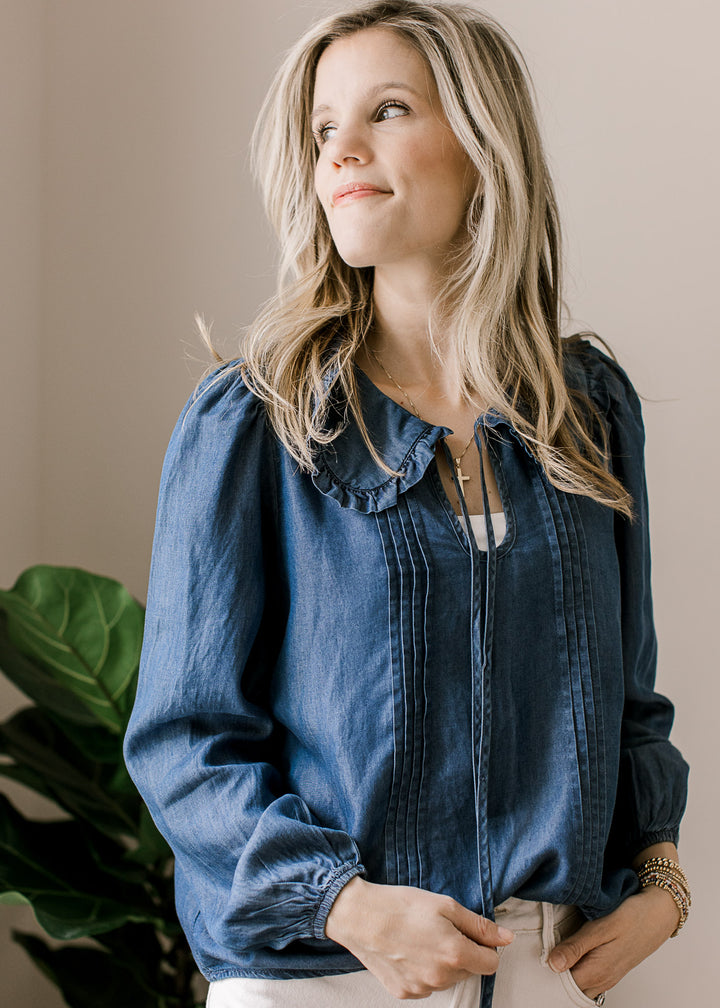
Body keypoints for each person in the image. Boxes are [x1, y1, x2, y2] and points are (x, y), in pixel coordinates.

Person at [123, 3, 690, 1006]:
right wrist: (345, 905)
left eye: (386, 111)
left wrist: (664, 882)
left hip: (549, 971)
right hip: (330, 968)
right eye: (322, 129)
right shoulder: (255, 423)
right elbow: (185, 741)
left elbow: (629, 703)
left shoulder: (587, 409)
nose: (341, 150)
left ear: (483, 145)